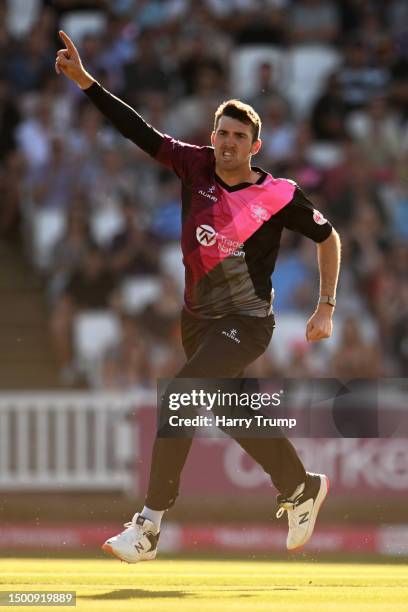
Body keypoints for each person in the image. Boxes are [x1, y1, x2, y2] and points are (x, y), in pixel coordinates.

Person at [55, 30, 341, 563]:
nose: (227, 143)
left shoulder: (277, 195)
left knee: (181, 398)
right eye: (221, 133)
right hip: (198, 321)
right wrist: (85, 82)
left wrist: (325, 306)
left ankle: (149, 525)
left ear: (255, 146)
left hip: (248, 320)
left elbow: (329, 238)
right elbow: (137, 130)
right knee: (233, 415)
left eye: (238, 136)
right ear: (212, 137)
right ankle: (301, 486)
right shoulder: (195, 166)